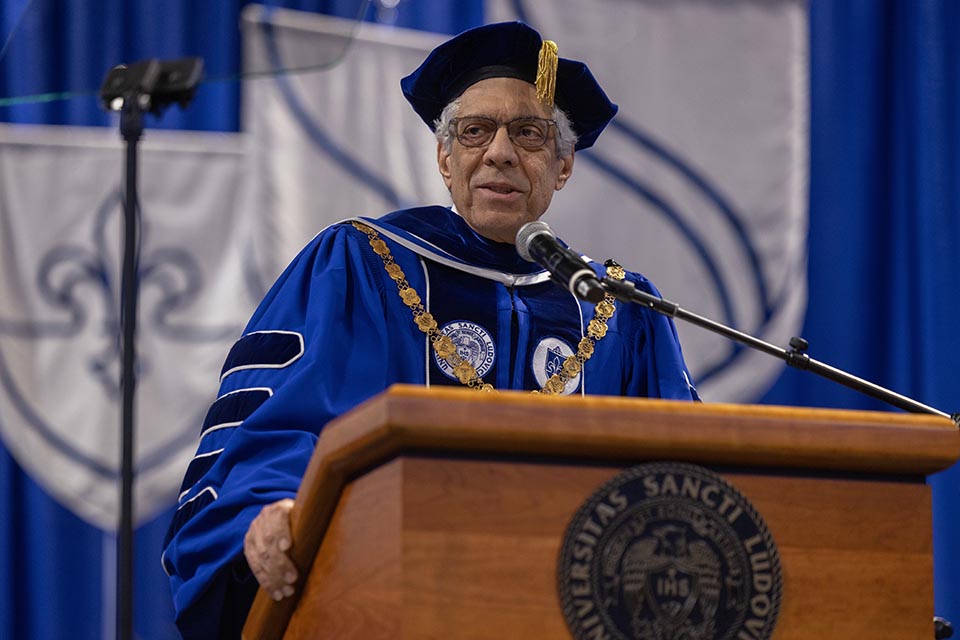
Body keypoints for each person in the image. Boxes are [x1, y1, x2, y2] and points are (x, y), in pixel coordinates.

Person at [161, 20, 700, 639]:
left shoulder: (618, 311)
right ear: (446, 158)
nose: (500, 152)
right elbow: (276, 424)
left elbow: (682, 481)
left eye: (529, 134)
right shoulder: (362, 265)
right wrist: (265, 513)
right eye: (475, 132)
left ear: (563, 165)